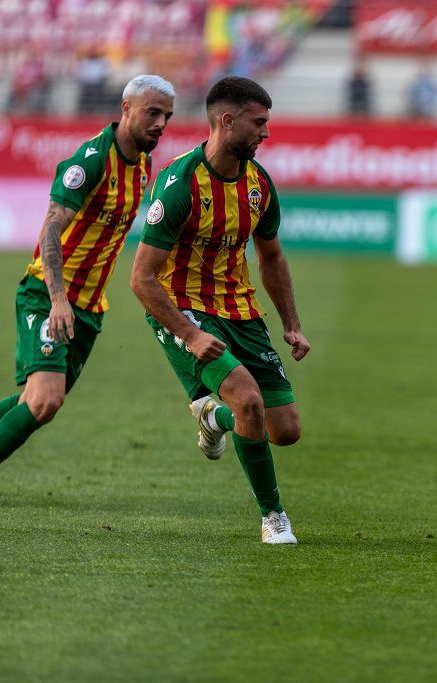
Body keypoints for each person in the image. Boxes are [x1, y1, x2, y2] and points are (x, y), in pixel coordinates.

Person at [0, 75, 176, 504]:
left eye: (167, 116)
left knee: (34, 400)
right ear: (126, 109)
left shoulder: (143, 164)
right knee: (46, 401)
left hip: (89, 309)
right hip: (48, 294)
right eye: (152, 113)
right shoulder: (90, 161)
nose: (160, 123)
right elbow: (50, 231)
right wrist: (58, 299)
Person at [130, 76, 309, 545]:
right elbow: (141, 279)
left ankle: (213, 418)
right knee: (248, 400)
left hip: (241, 309)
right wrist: (189, 334)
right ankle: (273, 517)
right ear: (227, 122)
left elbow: (271, 257)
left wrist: (291, 324)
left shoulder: (259, 184)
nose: (266, 134)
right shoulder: (180, 184)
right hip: (184, 307)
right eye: (259, 123)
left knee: (284, 429)